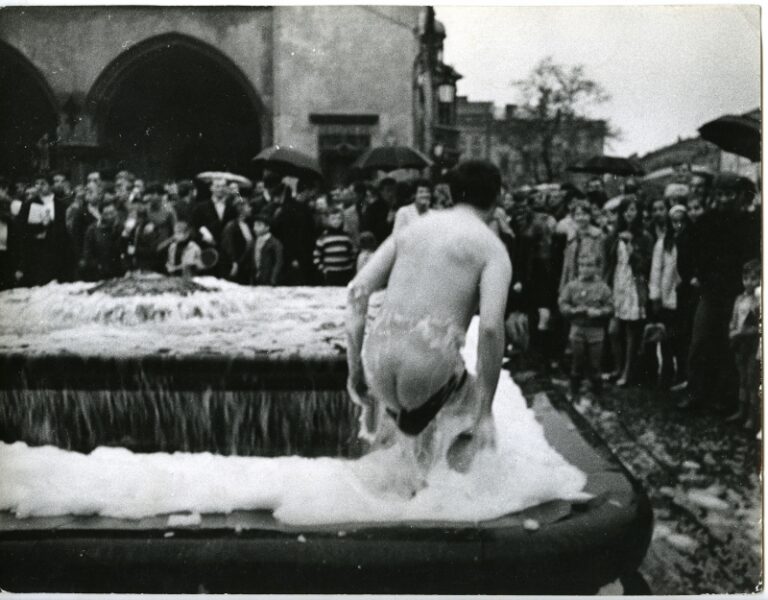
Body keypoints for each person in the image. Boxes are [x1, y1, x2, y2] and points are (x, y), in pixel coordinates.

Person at [345, 160, 511, 480]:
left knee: (406, 448)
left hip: (378, 361)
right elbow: (490, 328)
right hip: (427, 367)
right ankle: (448, 506)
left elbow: (356, 293)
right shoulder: (492, 249)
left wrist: (355, 372)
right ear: (497, 197)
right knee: (468, 425)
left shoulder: (411, 230)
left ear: (450, 193)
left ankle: (400, 494)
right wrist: (485, 411)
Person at [681, 173, 761, 411]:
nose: (725, 199)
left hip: (737, 292)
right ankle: (695, 393)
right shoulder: (706, 221)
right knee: (700, 341)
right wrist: (698, 275)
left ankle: (725, 399)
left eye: (729, 194)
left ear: (737, 196)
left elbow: (752, 257)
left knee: (729, 346)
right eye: (721, 194)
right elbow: (692, 250)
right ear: (715, 195)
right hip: (710, 290)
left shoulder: (749, 223)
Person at [603, 195, 653, 386]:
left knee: (632, 331)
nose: (629, 214)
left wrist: (633, 250)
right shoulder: (615, 234)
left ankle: (627, 371)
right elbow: (609, 259)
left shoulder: (645, 236)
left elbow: (645, 265)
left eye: (633, 210)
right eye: (626, 210)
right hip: (618, 282)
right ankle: (617, 367)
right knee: (614, 330)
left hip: (634, 283)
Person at [558, 254, 613, 400]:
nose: (585, 269)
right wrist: (573, 311)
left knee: (595, 364)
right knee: (576, 361)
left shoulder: (602, 288)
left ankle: (597, 394)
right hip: (577, 329)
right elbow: (562, 304)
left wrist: (599, 312)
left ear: (596, 268)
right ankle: (574, 392)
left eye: (589, 266)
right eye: (582, 266)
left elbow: (611, 307)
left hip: (596, 330)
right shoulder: (572, 286)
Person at [15, 174, 73, 286]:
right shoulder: (29, 204)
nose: (39, 186)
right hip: (36, 253)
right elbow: (20, 229)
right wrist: (40, 226)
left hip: (56, 253)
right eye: (37, 183)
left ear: (50, 185)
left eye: (43, 183)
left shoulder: (61, 205)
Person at [727, 259, 760, 429]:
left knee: (751, 379)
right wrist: (732, 331)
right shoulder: (739, 299)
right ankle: (741, 410)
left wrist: (745, 332)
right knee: (742, 378)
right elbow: (734, 319)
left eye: (754, 279)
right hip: (740, 344)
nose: (749, 282)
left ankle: (752, 416)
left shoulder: (759, 301)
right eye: (746, 278)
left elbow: (759, 326)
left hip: (753, 344)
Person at [559, 199, 605, 292]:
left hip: (592, 283)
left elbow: (601, 263)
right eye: (577, 215)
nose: (580, 218)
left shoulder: (597, 236)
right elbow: (566, 266)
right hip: (573, 283)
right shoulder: (572, 238)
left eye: (584, 214)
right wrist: (563, 287)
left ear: (590, 216)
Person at [80, 202, 125, 281]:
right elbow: (87, 253)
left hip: (119, 272)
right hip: (100, 273)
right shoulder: (93, 230)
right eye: (107, 214)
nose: (111, 216)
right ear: (102, 215)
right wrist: (97, 266)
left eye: (113, 212)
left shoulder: (121, 227)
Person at [314, 207, 356, 286]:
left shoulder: (347, 236)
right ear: (328, 220)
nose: (336, 221)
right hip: (331, 274)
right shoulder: (323, 237)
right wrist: (324, 270)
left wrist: (350, 266)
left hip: (345, 273)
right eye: (333, 219)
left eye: (339, 218)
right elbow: (316, 256)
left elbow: (352, 253)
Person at [221, 196, 254, 285]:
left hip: (245, 267)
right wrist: (234, 262)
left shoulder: (248, 225)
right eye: (248, 206)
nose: (251, 209)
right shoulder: (231, 226)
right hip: (235, 267)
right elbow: (228, 247)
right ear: (241, 209)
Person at [251, 211, 283, 286]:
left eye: (259, 225)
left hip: (268, 281)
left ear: (267, 227)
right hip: (255, 280)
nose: (255, 228)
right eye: (254, 225)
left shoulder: (275, 243)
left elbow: (278, 263)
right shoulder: (254, 242)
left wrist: (273, 279)